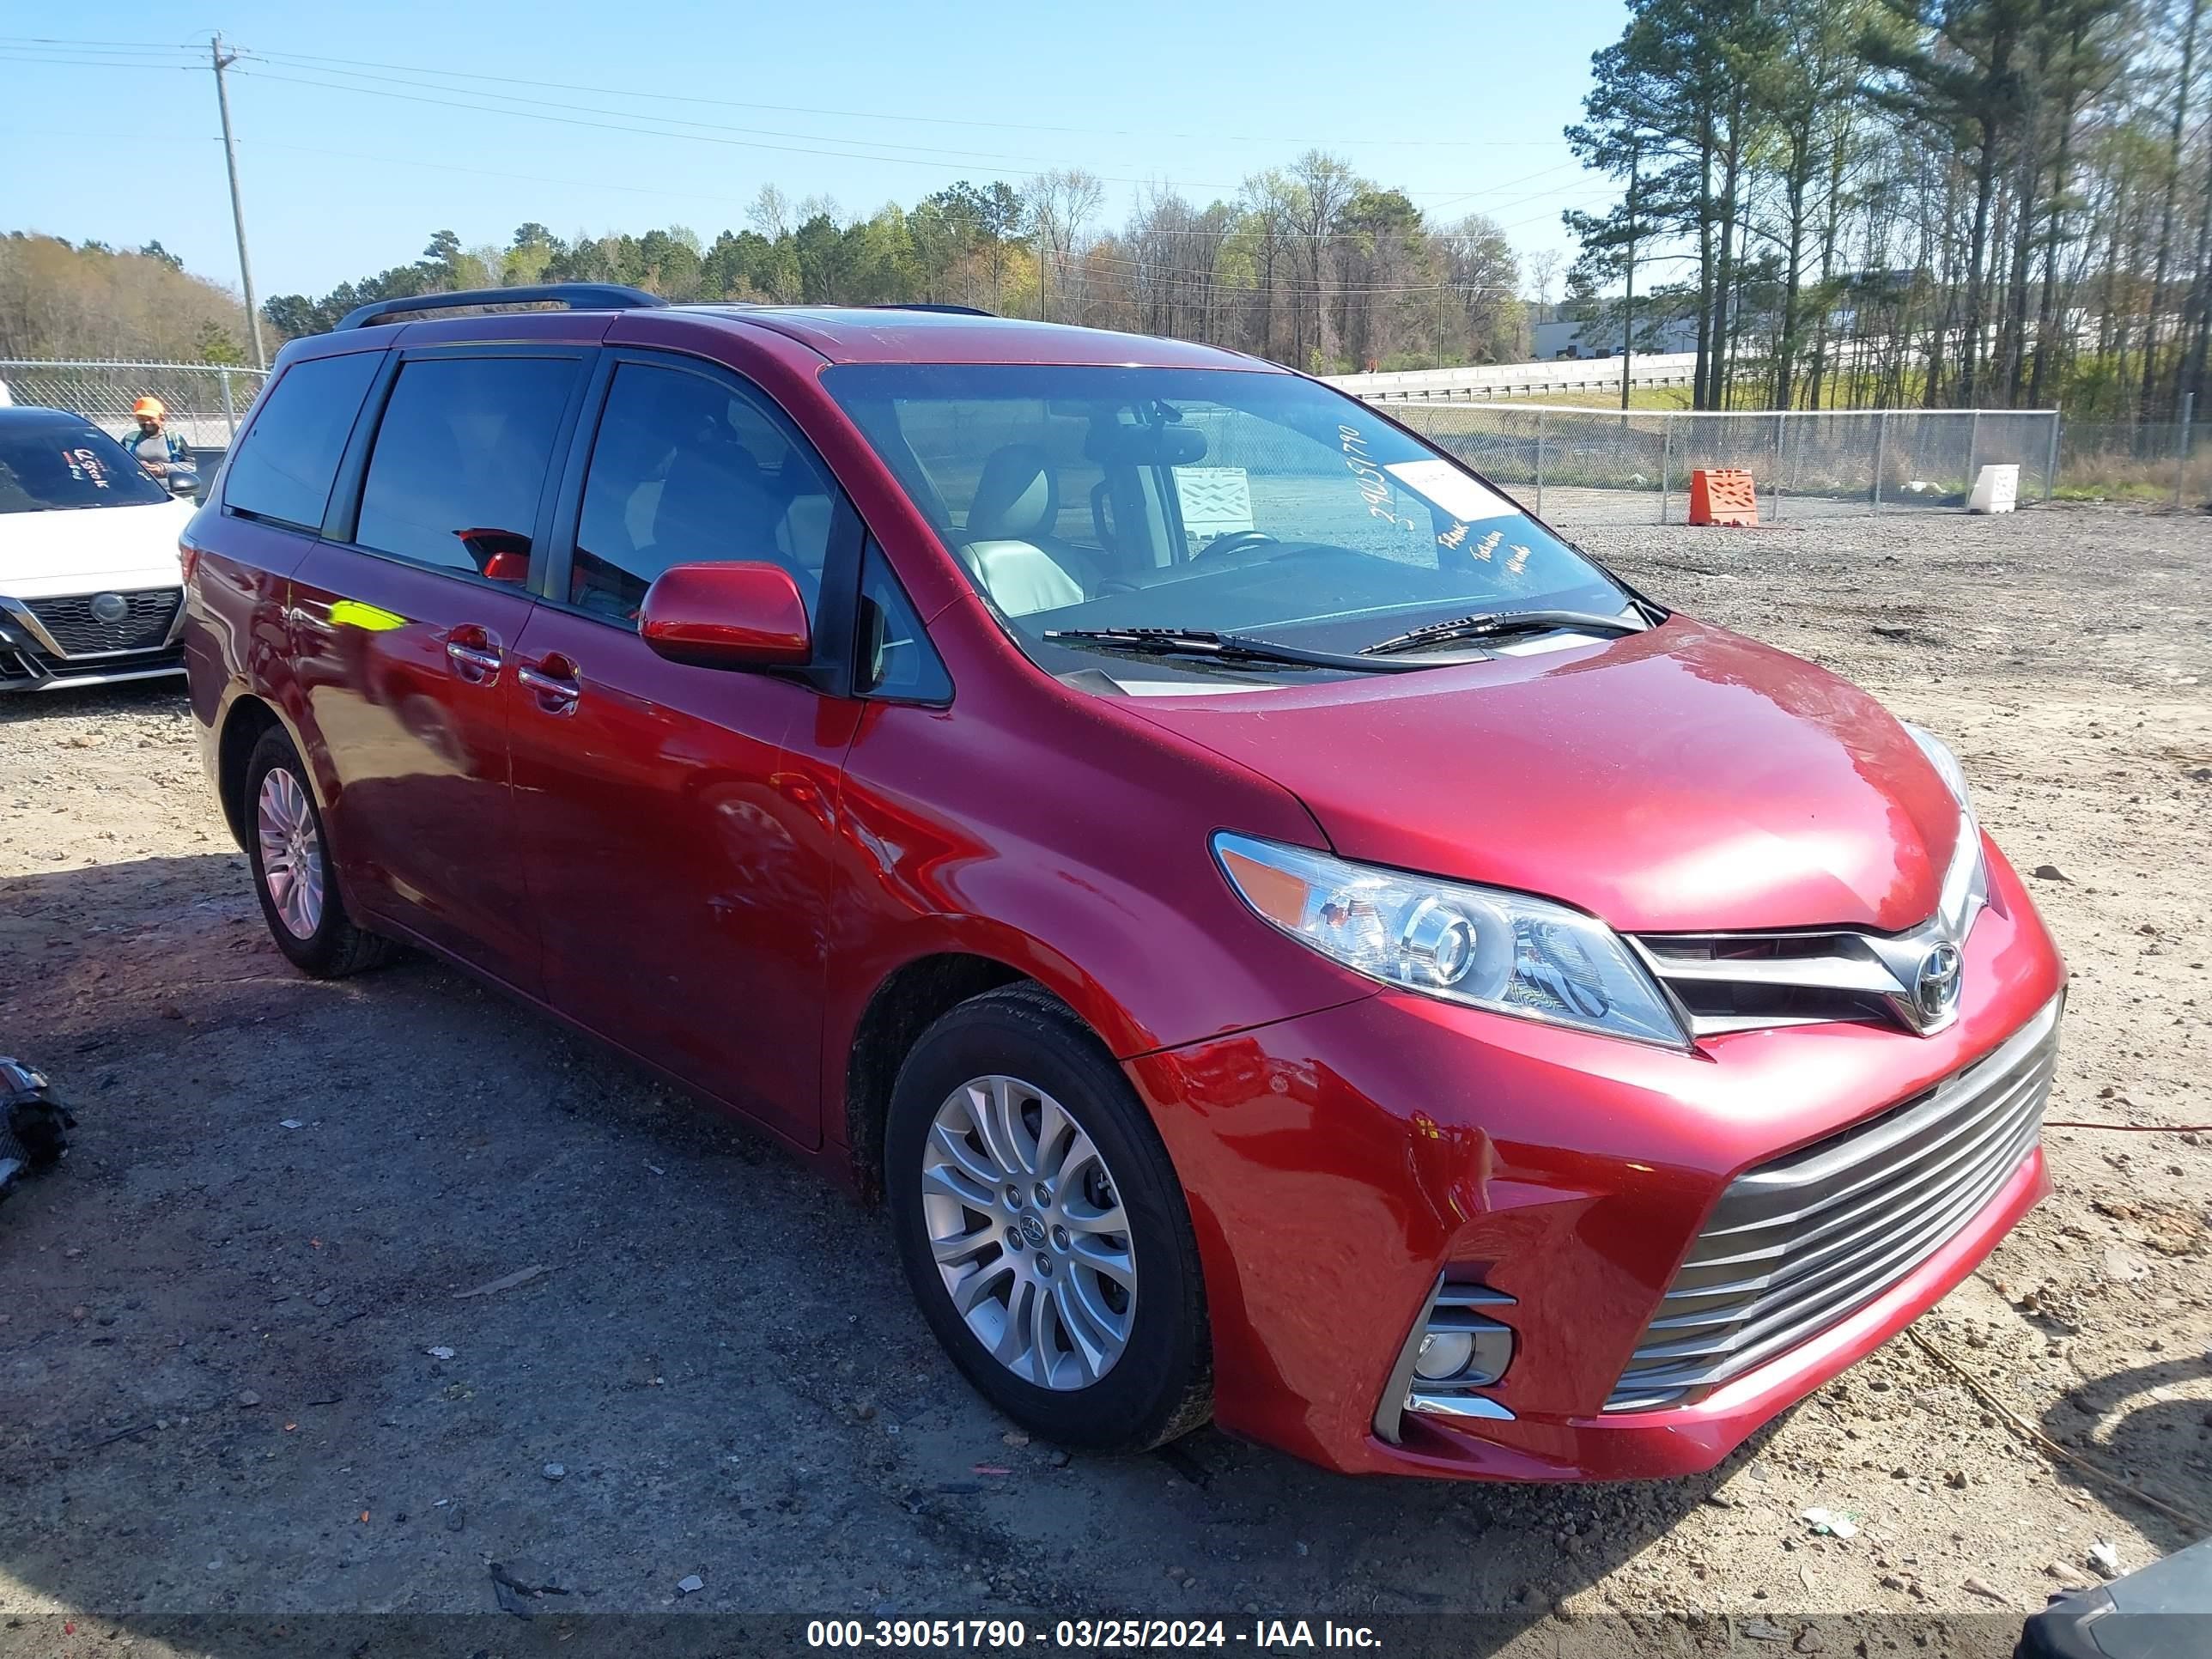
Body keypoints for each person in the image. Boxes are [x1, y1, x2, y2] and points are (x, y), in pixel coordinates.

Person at [125, 396, 185, 477]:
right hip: (137, 484)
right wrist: (136, 465)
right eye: (141, 419)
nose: (147, 422)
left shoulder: (174, 439)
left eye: (151, 419)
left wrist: (162, 468)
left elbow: (191, 466)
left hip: (167, 486)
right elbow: (118, 462)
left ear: (162, 420)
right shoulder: (129, 439)